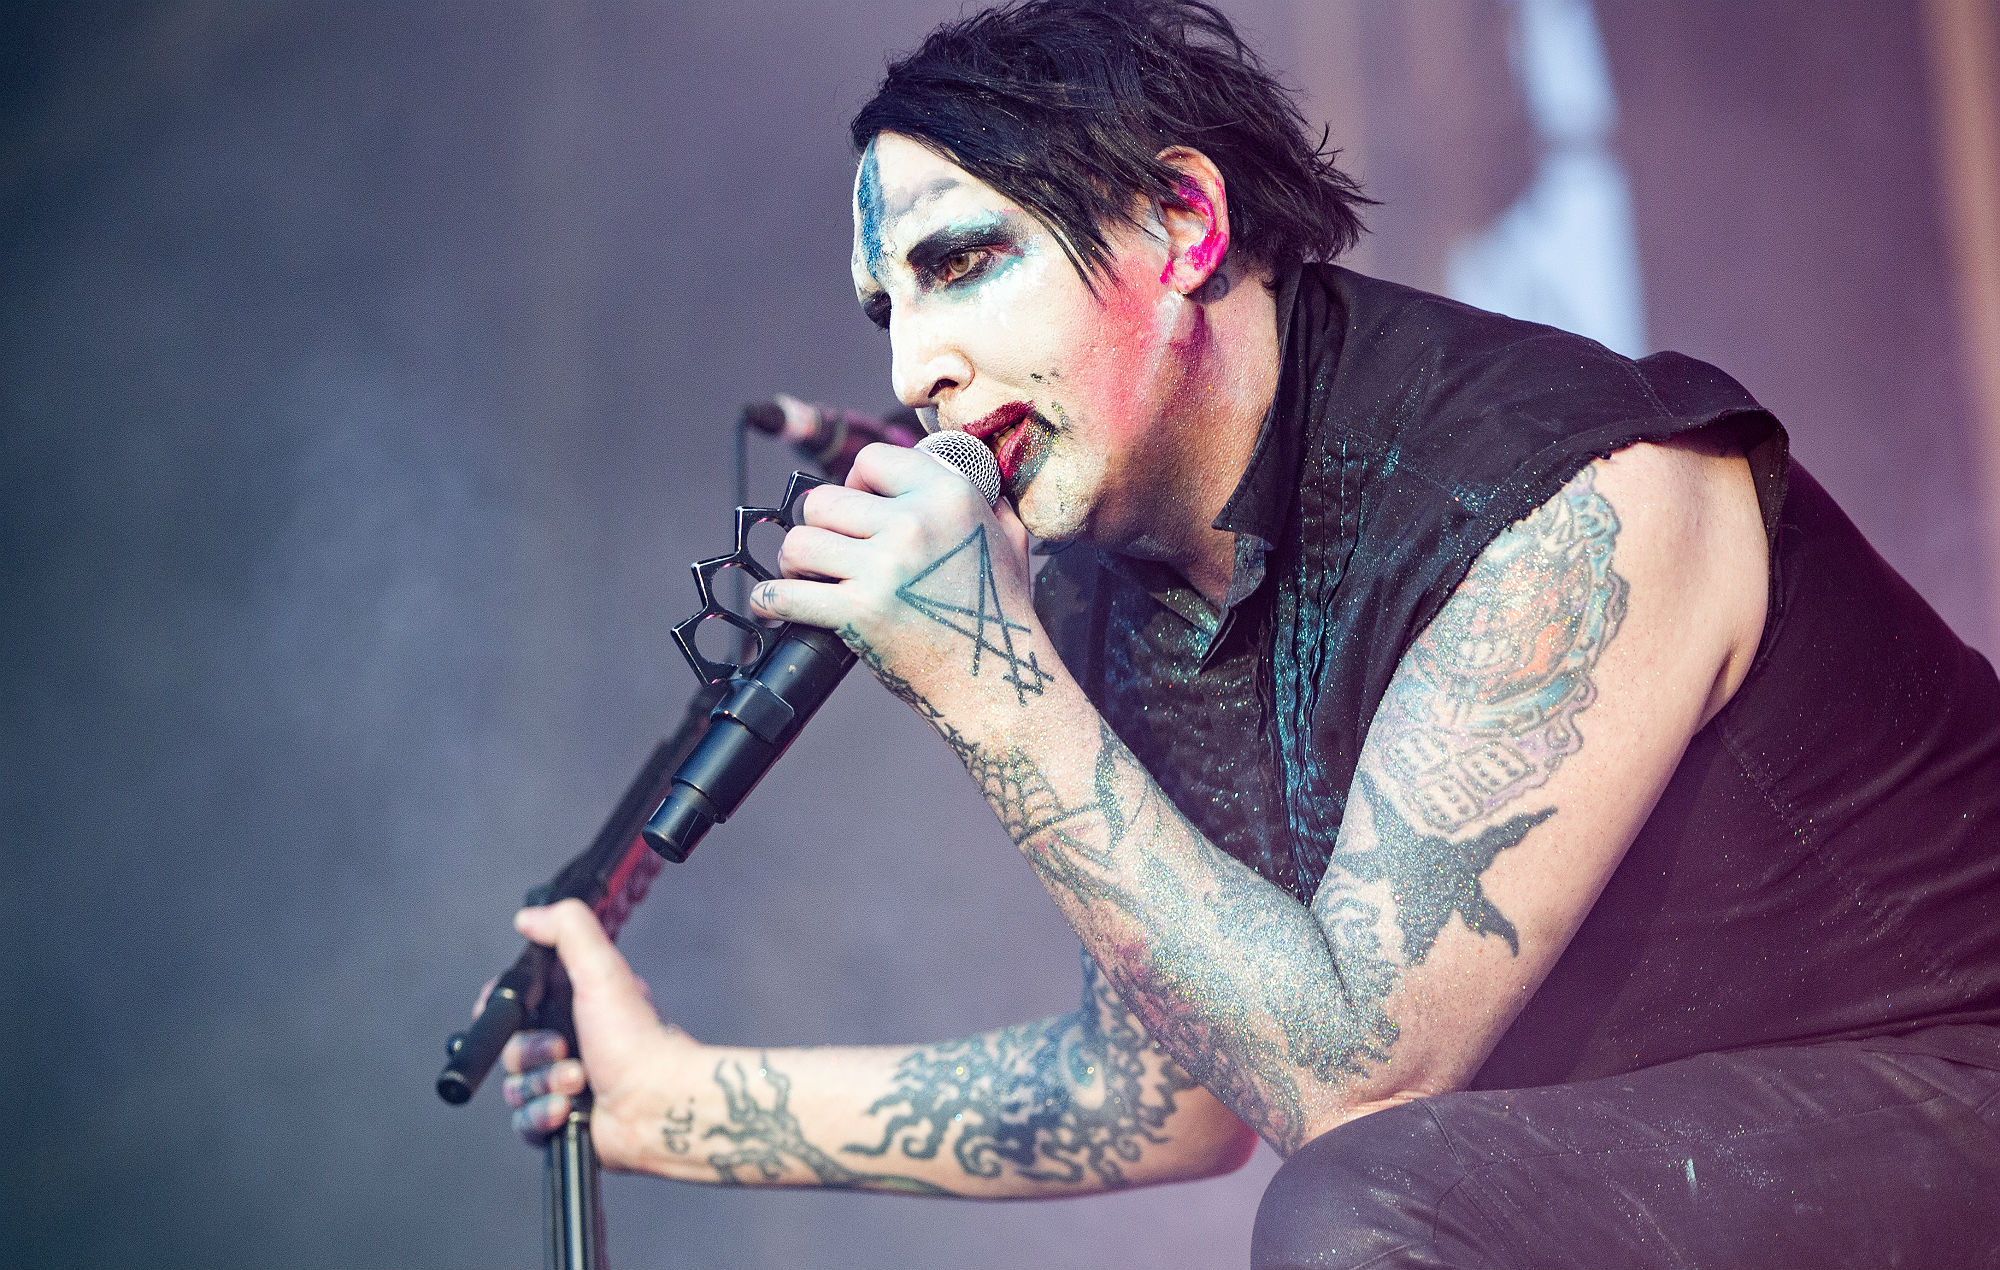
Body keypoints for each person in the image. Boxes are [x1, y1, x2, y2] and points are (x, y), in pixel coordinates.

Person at [491, 1, 2000, 1263]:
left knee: (1360, 1207)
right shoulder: (1114, 578)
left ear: (1184, 222)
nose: (914, 366)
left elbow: (1347, 1094)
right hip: (1675, 1165)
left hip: (1958, 1089)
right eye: (887, 305)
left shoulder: (1567, 495)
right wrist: (678, 1103)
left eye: (960, 264)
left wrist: (985, 678)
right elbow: (1163, 1093)